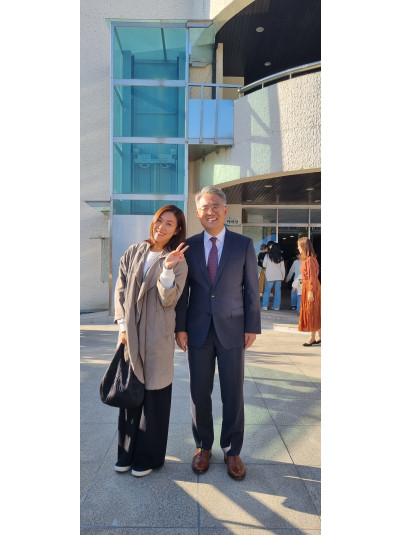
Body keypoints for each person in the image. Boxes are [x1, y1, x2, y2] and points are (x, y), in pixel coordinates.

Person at [175, 186, 261, 481]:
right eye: (204, 207)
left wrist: (252, 326)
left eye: (215, 206)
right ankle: (203, 446)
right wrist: (180, 327)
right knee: (199, 392)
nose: (210, 212)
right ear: (197, 213)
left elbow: (251, 289)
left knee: (233, 392)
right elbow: (183, 292)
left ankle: (232, 450)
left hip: (233, 329)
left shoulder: (243, 244)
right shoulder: (189, 246)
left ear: (225, 210)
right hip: (197, 331)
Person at [113, 205, 189, 477]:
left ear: (177, 230)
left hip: (158, 334)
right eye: (160, 221)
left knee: (155, 396)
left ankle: (148, 457)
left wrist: (167, 270)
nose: (162, 227)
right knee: (130, 392)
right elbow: (121, 289)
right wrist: (122, 325)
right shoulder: (134, 252)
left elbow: (170, 300)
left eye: (169, 224)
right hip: (130, 333)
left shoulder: (178, 260)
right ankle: (125, 453)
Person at [297, 237, 321, 346]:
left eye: (299, 246)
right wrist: (300, 283)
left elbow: (312, 277)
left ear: (304, 246)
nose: (298, 248)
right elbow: (305, 277)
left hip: (311, 288)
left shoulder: (310, 260)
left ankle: (312, 338)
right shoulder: (308, 259)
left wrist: (310, 291)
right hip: (309, 287)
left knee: (312, 312)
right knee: (315, 312)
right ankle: (320, 336)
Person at [262, 242, 285, 310]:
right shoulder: (280, 257)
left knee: (267, 291)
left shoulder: (267, 256)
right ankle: (276, 307)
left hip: (270, 276)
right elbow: (283, 269)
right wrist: (283, 277)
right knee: (278, 291)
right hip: (278, 277)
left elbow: (264, 265)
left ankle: (265, 306)